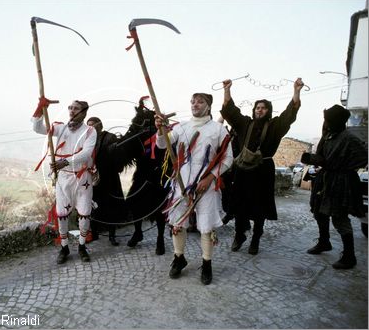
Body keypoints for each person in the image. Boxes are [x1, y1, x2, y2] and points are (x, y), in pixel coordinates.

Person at [155, 93, 233, 285]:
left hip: (206, 185)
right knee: (177, 222)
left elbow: (228, 159)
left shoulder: (219, 130)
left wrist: (209, 177)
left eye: (200, 101)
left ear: (208, 106)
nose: (195, 104)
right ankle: (179, 258)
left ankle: (207, 264)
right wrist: (160, 130)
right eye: (192, 101)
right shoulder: (181, 126)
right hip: (181, 182)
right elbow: (161, 144)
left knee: (206, 226)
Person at [220, 78, 304, 255]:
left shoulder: (275, 126)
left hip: (263, 170)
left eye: (263, 108)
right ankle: (239, 235)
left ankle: (256, 238)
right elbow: (230, 111)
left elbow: (290, 114)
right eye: (257, 107)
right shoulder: (245, 124)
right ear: (254, 110)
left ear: (268, 111)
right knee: (239, 204)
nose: (260, 110)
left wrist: (296, 92)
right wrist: (227, 90)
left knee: (260, 207)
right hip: (243, 170)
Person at [301, 105, 367, 269]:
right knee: (318, 212)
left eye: (329, 120)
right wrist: (310, 158)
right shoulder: (328, 136)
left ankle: (349, 256)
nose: (326, 123)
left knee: (339, 217)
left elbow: (363, 158)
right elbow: (323, 159)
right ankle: (324, 242)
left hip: (340, 183)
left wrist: (343, 168)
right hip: (325, 180)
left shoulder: (348, 138)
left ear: (337, 121)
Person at [32, 100, 97, 264]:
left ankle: (82, 247)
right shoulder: (60, 128)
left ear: (84, 112)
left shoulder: (90, 131)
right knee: (61, 214)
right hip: (63, 178)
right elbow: (37, 128)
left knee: (84, 214)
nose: (71, 110)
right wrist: (40, 109)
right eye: (70, 108)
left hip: (82, 179)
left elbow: (87, 153)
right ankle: (64, 247)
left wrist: (66, 161)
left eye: (76, 108)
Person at [86, 117, 126, 246]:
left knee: (111, 207)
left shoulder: (110, 137)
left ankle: (112, 236)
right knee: (93, 206)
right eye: (89, 125)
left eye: (93, 125)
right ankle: (95, 233)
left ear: (100, 125)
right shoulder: (87, 140)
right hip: (93, 179)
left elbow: (118, 156)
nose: (91, 127)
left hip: (109, 178)